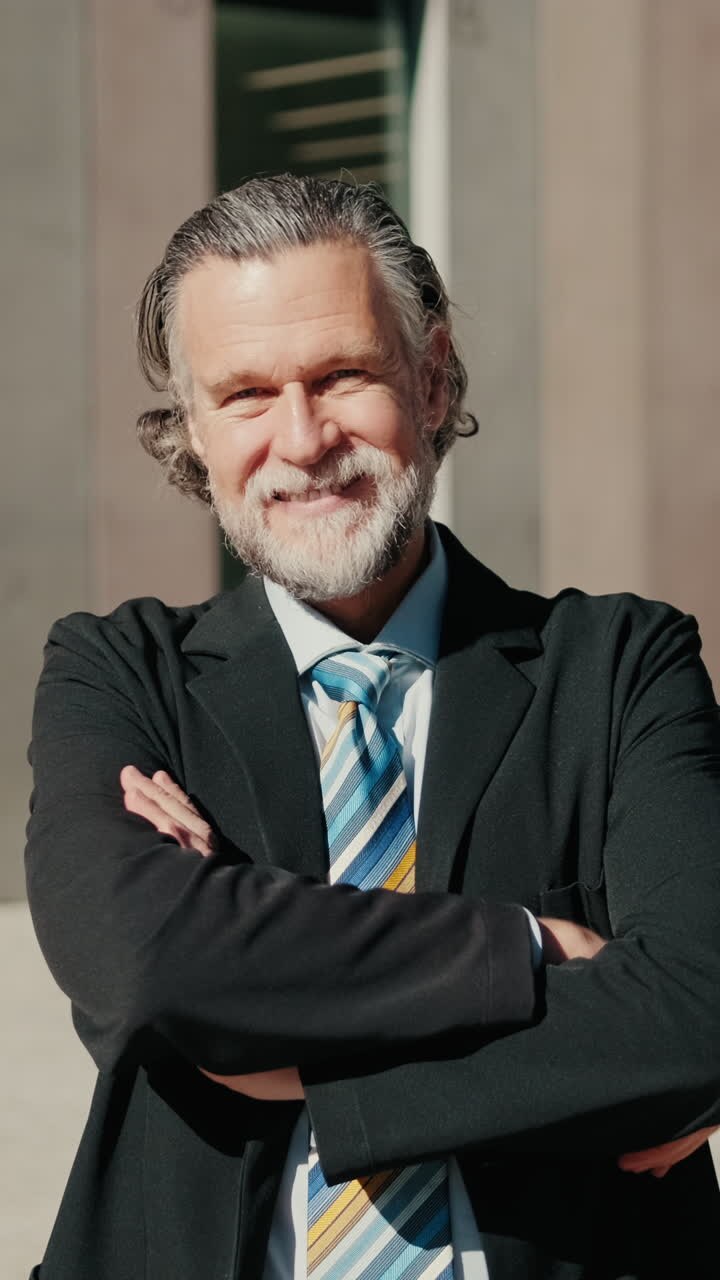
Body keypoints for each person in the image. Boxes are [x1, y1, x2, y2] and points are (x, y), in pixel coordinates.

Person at [26, 175, 720, 1280]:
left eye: (342, 374)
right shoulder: (120, 671)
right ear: (193, 433)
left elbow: (694, 1017)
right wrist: (530, 950)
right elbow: (144, 963)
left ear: (434, 378)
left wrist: (283, 1056)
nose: (302, 441)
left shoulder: (621, 668)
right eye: (246, 394)